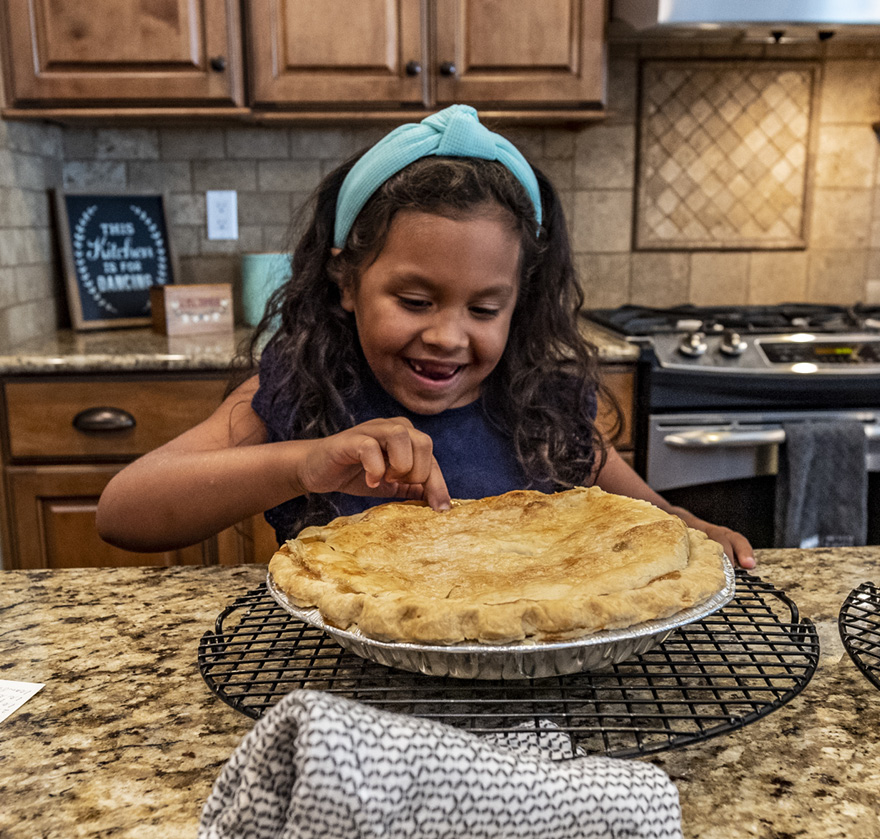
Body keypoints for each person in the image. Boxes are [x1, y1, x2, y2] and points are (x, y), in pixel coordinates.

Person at [97, 105, 755, 569]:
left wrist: (690, 525)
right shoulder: (302, 397)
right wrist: (305, 461)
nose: (446, 335)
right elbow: (123, 512)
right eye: (415, 300)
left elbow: (651, 517)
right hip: (351, 702)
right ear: (346, 281)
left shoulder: (543, 409)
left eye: (485, 308)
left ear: (518, 305)